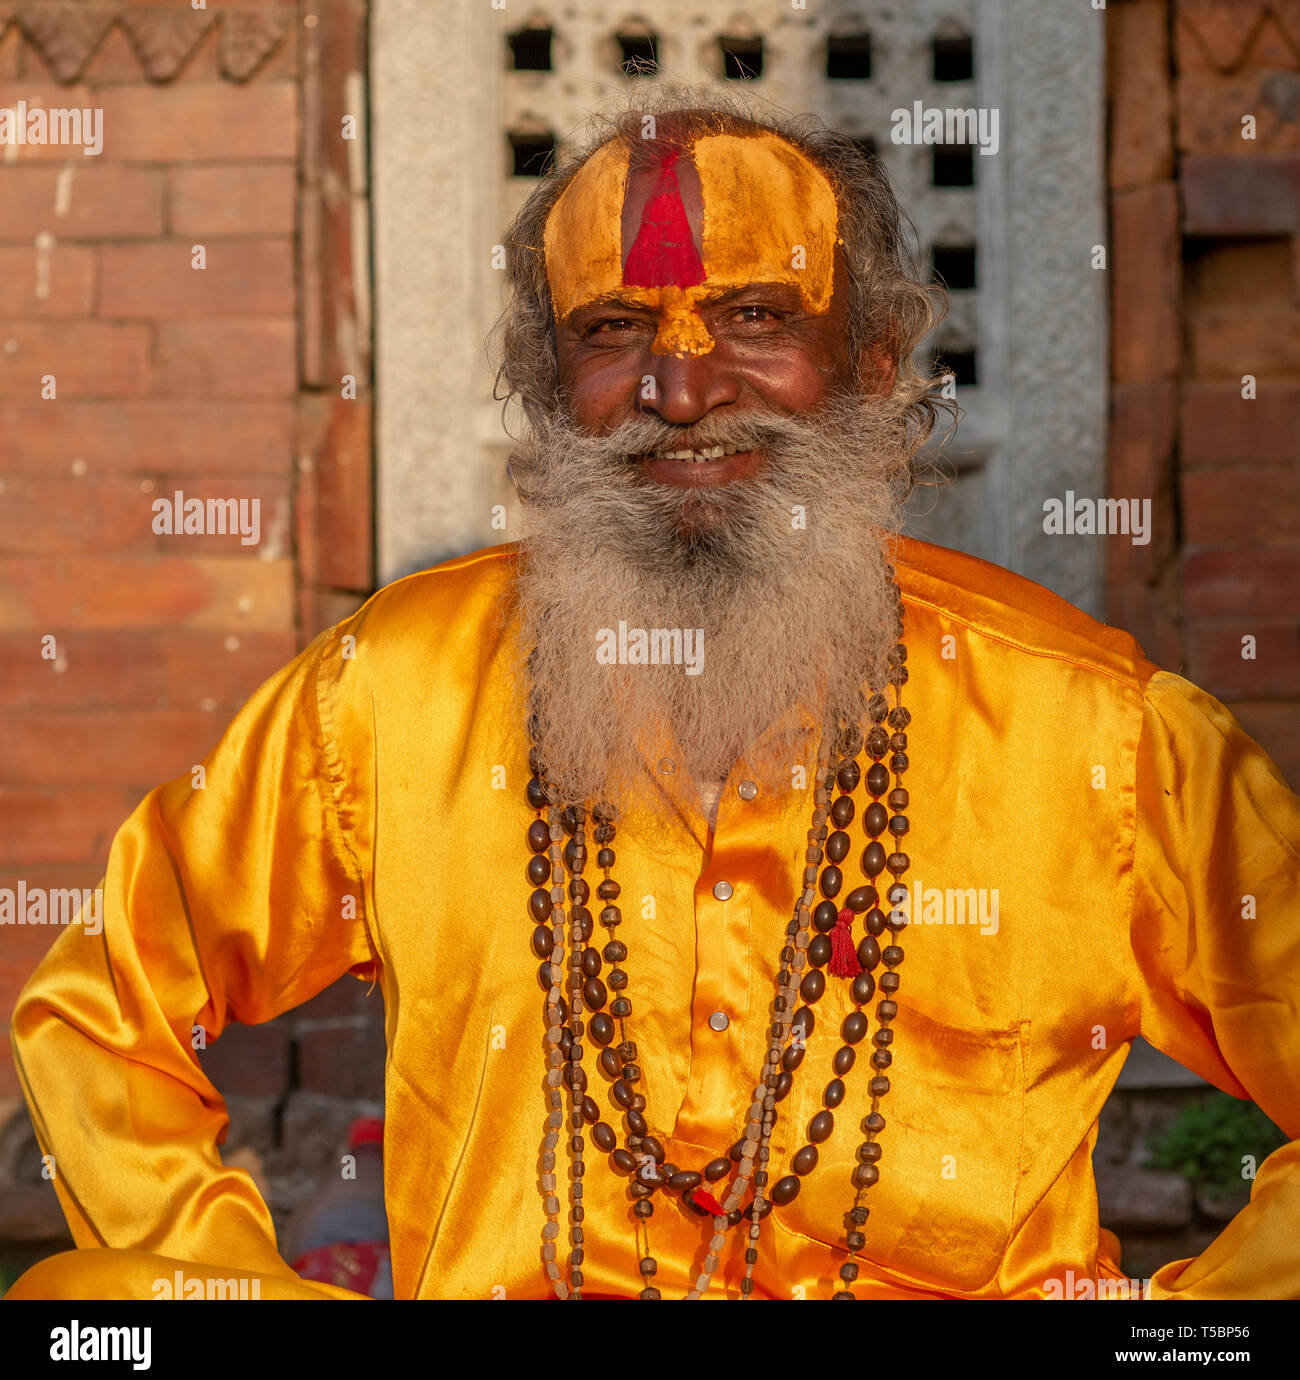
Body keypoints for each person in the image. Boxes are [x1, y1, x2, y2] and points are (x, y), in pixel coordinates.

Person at [7, 94, 1299, 1301]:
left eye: (755, 319)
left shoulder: (1094, 729)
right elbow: (102, 1003)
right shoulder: (395, 688)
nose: (681, 397)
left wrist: (1171, 1325)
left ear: (871, 363)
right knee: (91, 1311)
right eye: (613, 333)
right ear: (550, 388)